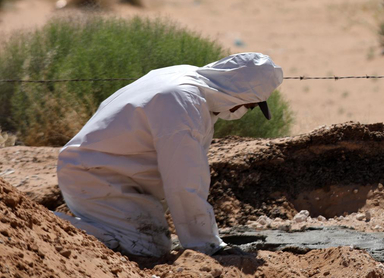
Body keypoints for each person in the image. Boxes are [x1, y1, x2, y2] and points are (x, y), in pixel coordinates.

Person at [55, 52, 283, 257]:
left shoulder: (185, 78)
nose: (242, 112)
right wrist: (206, 246)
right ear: (239, 96)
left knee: (152, 241)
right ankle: (52, 228)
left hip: (109, 172)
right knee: (145, 247)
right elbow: (183, 181)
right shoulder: (183, 102)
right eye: (250, 106)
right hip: (95, 176)